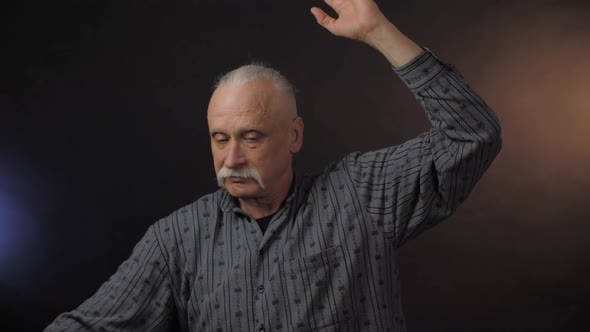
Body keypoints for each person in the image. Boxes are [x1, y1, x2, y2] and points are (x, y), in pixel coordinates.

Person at [45, 0, 502, 331]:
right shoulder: (178, 239)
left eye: (251, 137)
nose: (231, 159)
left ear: (295, 136)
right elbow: (91, 324)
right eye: (219, 139)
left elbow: (472, 135)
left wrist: (379, 33)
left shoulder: (361, 196)